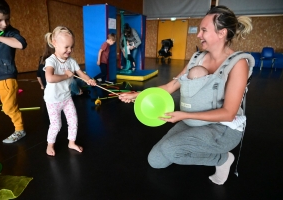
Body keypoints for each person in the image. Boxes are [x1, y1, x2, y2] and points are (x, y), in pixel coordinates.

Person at [119, 5, 254, 185]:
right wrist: (140, 95)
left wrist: (184, 115)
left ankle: (222, 159)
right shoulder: (197, 58)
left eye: (204, 30)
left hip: (222, 128)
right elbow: (171, 85)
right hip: (193, 122)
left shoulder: (238, 64)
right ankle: (209, 153)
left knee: (170, 149)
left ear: (221, 33)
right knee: (156, 160)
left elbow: (228, 113)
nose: (198, 35)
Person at [43, 26, 96, 156]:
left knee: (73, 121)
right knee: (56, 125)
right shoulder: (51, 61)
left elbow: (81, 74)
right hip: (53, 100)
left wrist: (89, 80)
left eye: (71, 47)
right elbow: (49, 78)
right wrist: (66, 76)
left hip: (66, 98)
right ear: (54, 43)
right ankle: (50, 145)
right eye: (66, 47)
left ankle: (71, 142)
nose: (69, 50)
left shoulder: (71, 61)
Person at [0, 0, 27, 146]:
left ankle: (20, 129)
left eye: (7, 19)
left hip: (6, 78)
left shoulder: (11, 32)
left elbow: (21, 44)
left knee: (9, 107)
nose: (4, 23)